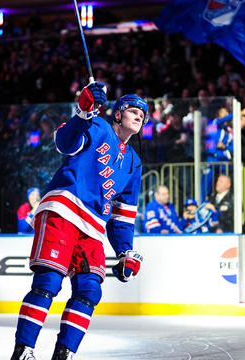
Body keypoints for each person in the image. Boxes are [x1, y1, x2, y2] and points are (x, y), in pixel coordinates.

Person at [10, 82, 145, 359]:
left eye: (143, 114)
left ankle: (64, 353)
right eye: (133, 110)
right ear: (117, 114)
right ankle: (23, 350)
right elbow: (64, 142)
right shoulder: (97, 126)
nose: (139, 115)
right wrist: (83, 113)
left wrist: (124, 251)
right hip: (64, 207)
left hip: (93, 227)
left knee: (90, 290)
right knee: (48, 280)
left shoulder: (134, 163)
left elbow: (122, 217)